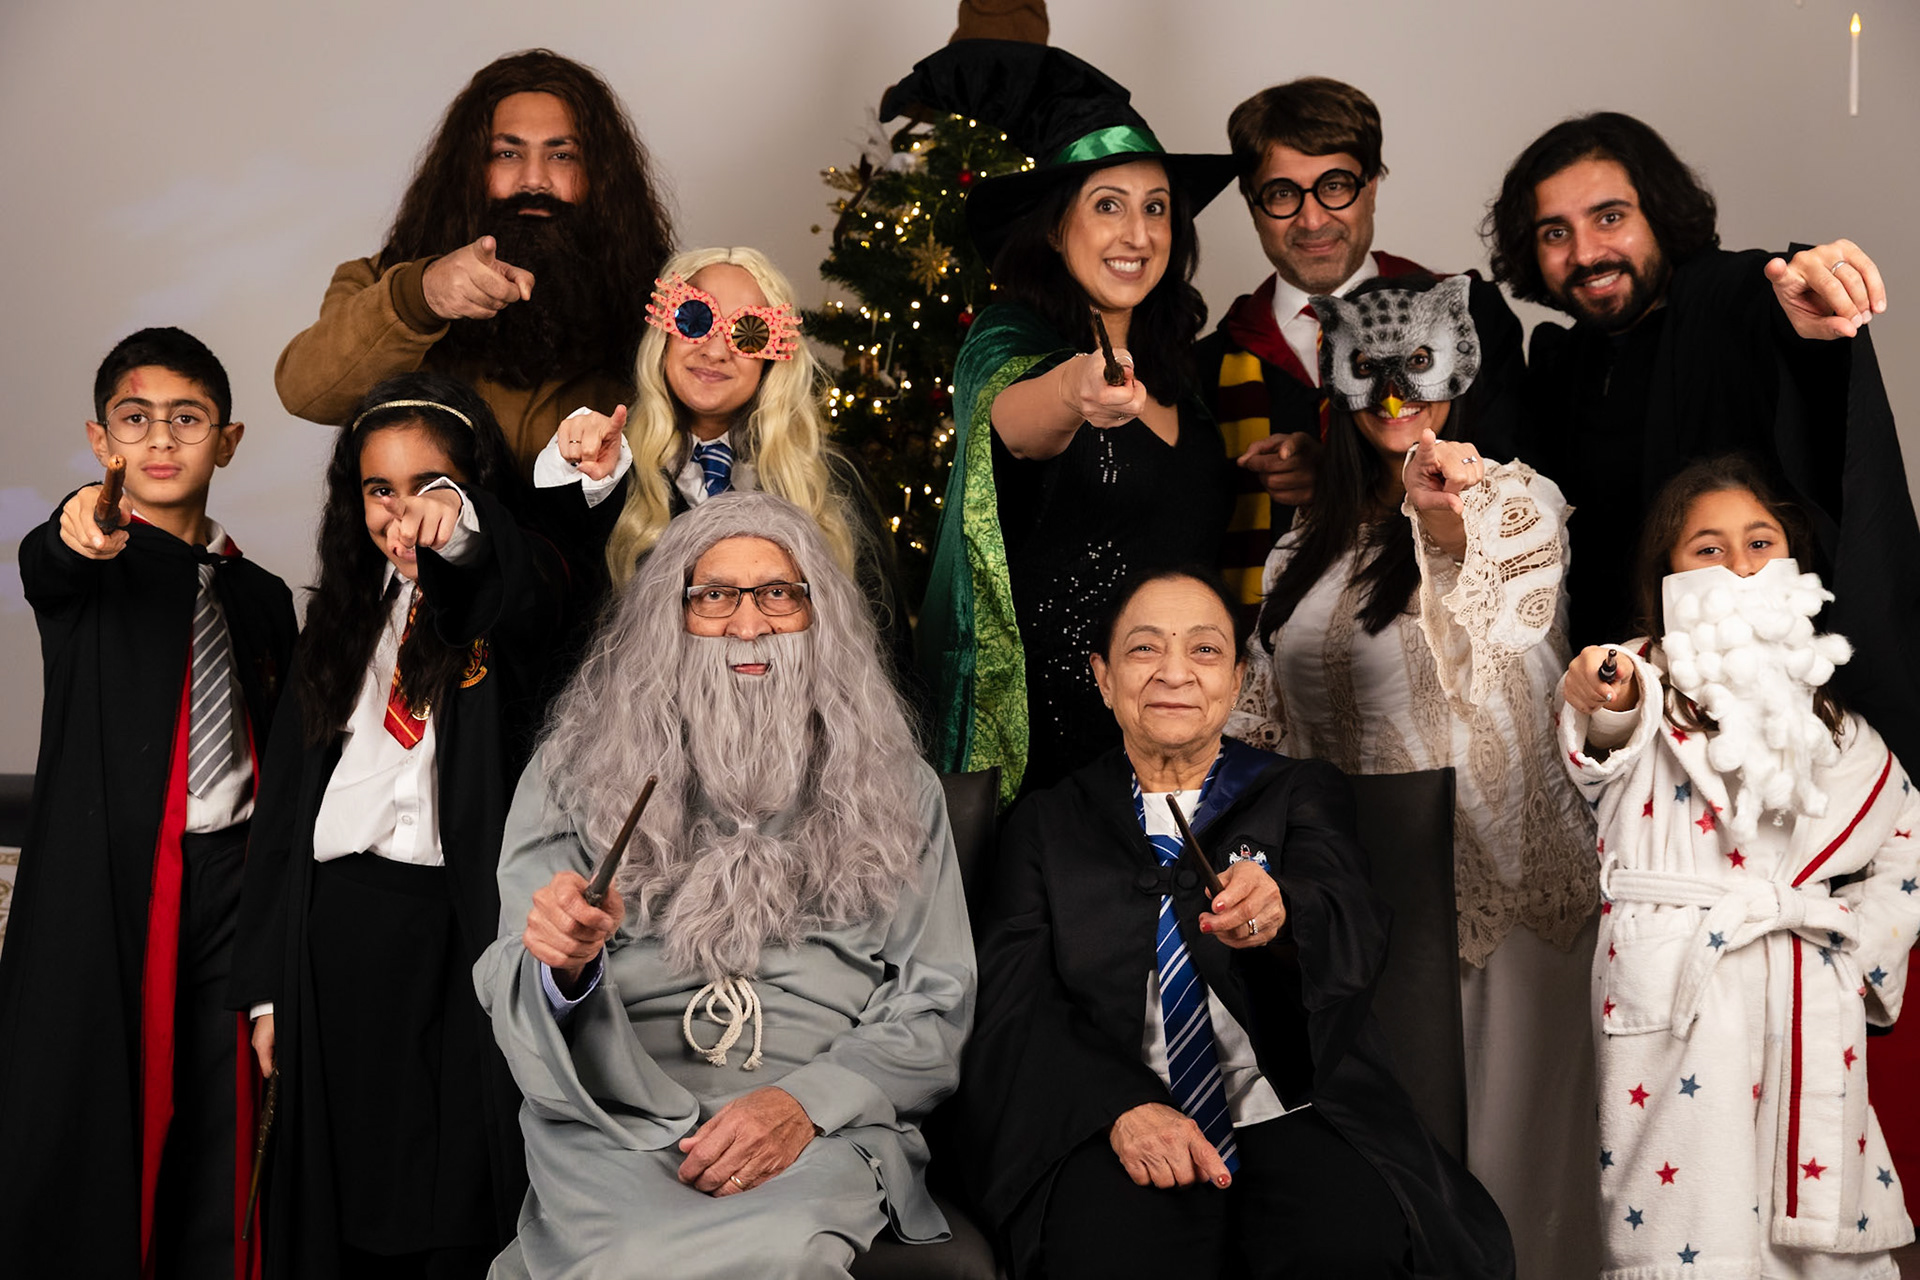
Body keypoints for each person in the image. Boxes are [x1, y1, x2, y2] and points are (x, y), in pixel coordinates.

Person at [961, 564, 1514, 1279]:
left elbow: (1348, 916)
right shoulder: (1046, 823)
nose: (1174, 673)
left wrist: (1283, 912)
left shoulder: (1296, 792)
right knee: (1110, 1254)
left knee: (1348, 1246)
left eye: (1204, 649)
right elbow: (1015, 999)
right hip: (1115, 1114)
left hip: (1292, 1105)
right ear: (1103, 677)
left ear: (1238, 679)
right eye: (1144, 648)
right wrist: (1121, 1107)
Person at [474, 492, 974, 1279]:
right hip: (619, 1114)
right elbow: (516, 969)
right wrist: (561, 964)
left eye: (777, 593)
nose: (748, 626)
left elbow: (935, 1000)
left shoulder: (896, 784)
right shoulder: (574, 771)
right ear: (669, 617)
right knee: (629, 1256)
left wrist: (805, 1103)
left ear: (819, 615)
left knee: (784, 1249)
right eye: (713, 596)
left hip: (820, 1120)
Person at [1226, 273, 1601, 1278]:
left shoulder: (1514, 498)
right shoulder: (1304, 542)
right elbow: (1263, 721)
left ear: (1461, 369)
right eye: (1372, 369)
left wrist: (1446, 508)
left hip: (1499, 903)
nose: (1398, 393)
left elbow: (1497, 590)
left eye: (1422, 366)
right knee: (1406, 1193)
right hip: (1371, 912)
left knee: (1516, 1185)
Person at [228, 374, 564, 1279]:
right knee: (341, 1196)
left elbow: (522, 585)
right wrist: (267, 993)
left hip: (460, 930)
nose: (402, 513)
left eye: (430, 486)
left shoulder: (498, 603)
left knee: (455, 1194)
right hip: (336, 927)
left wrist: (465, 536)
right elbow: (284, 812)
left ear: (472, 492)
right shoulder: (339, 619)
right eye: (381, 489)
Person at [1558, 455, 1919, 1278]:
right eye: (1708, 549)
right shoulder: (1636, 679)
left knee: (1808, 1243)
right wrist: (1606, 692)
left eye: (1760, 543)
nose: (1741, 565)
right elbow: (1606, 729)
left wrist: (1856, 950)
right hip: (1681, 982)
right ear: (1667, 574)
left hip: (1801, 990)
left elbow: (1907, 834)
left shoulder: (1836, 726)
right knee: (1691, 1231)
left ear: (1793, 562)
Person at [1481, 111, 1920, 771]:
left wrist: (1808, 300)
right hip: (1626, 717)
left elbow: (1778, 308)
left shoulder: (1725, 299)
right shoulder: (1561, 366)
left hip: (1770, 712)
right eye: (1555, 233)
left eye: (1609, 217)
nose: (1586, 253)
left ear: (1659, 212)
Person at [0, 328, 297, 1280]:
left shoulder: (259, 596)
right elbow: (55, 555)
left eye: (187, 418)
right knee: (95, 1116)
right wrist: (77, 525)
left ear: (229, 440)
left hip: (236, 884)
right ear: (102, 442)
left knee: (224, 1115)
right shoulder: (89, 563)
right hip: (110, 886)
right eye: (134, 419)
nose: (160, 439)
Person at [883, 40, 1237, 802]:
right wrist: (1080, 389)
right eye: (1107, 205)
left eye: (1156, 208)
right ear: (1054, 227)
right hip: (1053, 761)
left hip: (1179, 742)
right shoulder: (1008, 339)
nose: (1137, 235)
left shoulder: (1182, 373)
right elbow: (1014, 418)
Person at [1195, 78, 1525, 632]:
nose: (1312, 220)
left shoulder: (1467, 317)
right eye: (1282, 193)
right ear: (1251, 203)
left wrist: (1338, 476)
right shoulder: (1207, 367)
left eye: (1335, 186)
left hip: (1434, 634)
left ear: (1371, 186)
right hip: (1263, 646)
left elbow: (1512, 495)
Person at [276, 49, 674, 469]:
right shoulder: (378, 282)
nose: (534, 180)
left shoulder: (666, 297)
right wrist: (420, 298)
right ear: (467, 170)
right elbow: (306, 394)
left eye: (562, 155)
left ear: (602, 174)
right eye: (507, 154)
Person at [531, 246, 913, 681]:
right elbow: (555, 624)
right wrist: (580, 480)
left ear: (773, 356)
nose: (715, 351)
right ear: (664, 336)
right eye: (695, 319)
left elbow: (887, 656)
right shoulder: (609, 470)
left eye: (749, 333)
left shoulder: (831, 481)